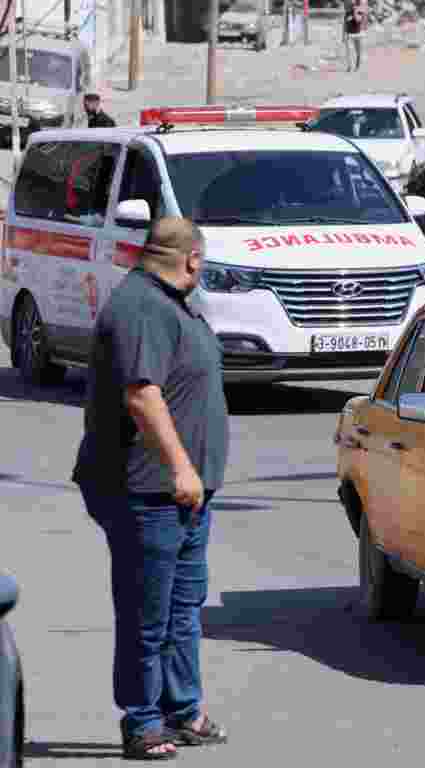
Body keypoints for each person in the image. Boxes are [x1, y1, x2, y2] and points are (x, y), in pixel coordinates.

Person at [71, 217, 230, 760]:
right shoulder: (141, 307)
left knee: (183, 607)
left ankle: (181, 711)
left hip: (183, 495)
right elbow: (142, 395)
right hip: (147, 492)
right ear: (191, 260)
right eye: (202, 262)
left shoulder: (170, 302)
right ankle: (142, 722)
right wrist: (183, 468)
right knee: (147, 612)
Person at [345, 0, 369, 71]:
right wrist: (343, 34)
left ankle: (357, 66)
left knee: (358, 52)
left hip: (358, 34)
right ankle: (349, 66)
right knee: (349, 51)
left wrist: (355, 11)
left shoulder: (361, 11)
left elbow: (358, 20)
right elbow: (345, 23)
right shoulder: (348, 12)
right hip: (349, 34)